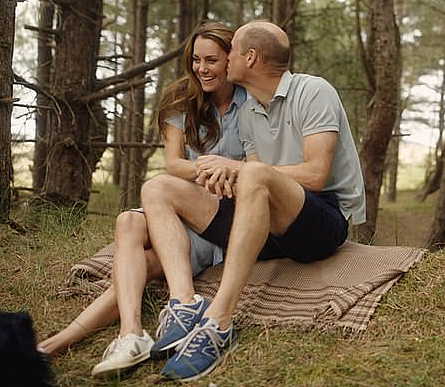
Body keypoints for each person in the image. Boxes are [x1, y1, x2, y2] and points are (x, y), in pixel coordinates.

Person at [139, 20, 366, 381]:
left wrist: (240, 169)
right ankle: (183, 303)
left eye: (231, 50)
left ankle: (220, 320)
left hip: (319, 220)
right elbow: (251, 181)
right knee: (158, 187)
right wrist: (225, 174)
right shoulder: (248, 112)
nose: (225, 57)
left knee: (255, 173)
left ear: (250, 56)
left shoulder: (313, 91)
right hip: (266, 229)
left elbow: (315, 174)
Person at [37, 22, 247, 378]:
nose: (202, 68)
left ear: (232, 59)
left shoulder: (250, 99)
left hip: (222, 214)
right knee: (128, 221)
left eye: (212, 60)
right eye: (196, 60)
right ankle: (130, 333)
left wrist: (231, 170)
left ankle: (57, 343)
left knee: (146, 263)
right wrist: (210, 171)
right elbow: (174, 164)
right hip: (181, 202)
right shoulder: (182, 98)